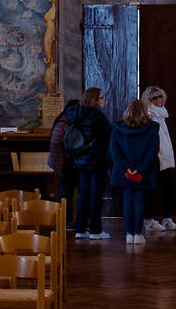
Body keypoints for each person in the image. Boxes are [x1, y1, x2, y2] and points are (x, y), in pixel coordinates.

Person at [105, 96, 161, 246]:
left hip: (124, 172)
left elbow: (113, 150)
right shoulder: (152, 128)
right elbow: (152, 152)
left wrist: (126, 167)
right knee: (139, 202)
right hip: (144, 172)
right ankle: (138, 234)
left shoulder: (118, 128)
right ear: (145, 112)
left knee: (128, 201)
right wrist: (140, 169)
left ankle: (129, 234)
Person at [66, 87, 111, 238]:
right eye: (101, 97)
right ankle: (95, 230)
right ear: (94, 99)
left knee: (83, 194)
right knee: (96, 195)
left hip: (80, 160)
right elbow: (108, 135)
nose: (103, 100)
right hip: (97, 161)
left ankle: (80, 229)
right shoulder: (97, 116)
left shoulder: (75, 113)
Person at [142, 85, 176, 233]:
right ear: (149, 100)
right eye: (154, 98)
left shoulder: (162, 113)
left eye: (160, 96)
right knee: (151, 190)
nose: (158, 100)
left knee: (169, 188)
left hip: (166, 157)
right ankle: (149, 220)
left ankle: (167, 218)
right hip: (154, 157)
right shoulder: (148, 114)